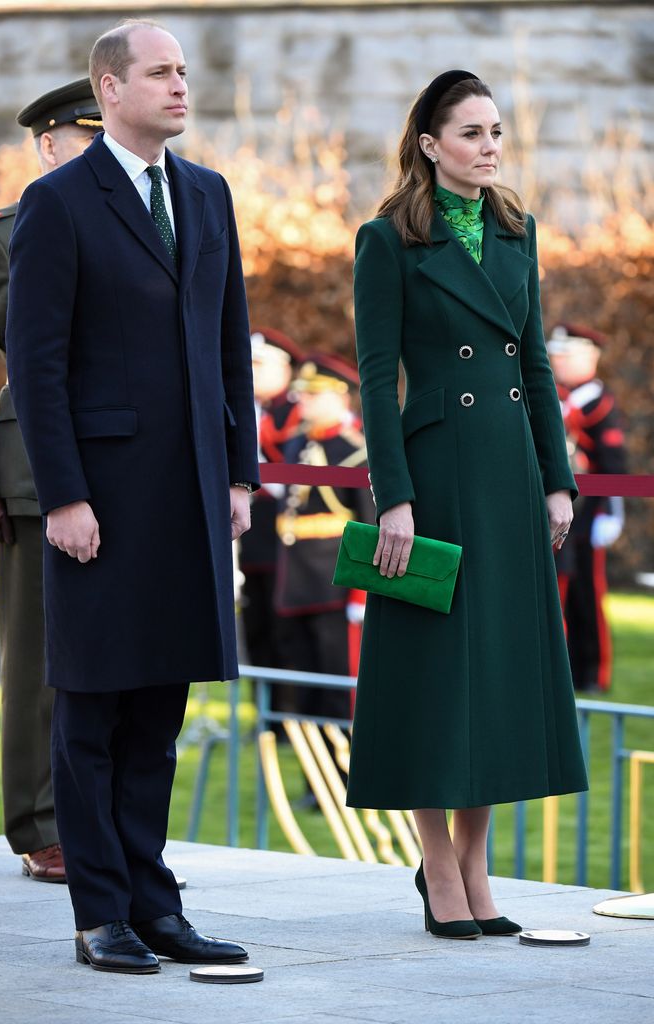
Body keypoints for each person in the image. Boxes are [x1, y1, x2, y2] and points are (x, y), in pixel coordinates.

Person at [6, 19, 259, 974]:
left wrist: (240, 472)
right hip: (99, 502)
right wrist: (63, 495)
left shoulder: (207, 193)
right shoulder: (58, 202)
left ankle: (157, 907)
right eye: (160, 73)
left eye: (185, 71)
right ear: (109, 89)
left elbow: (228, 340)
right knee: (93, 714)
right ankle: (99, 914)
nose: (180, 86)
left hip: (190, 495)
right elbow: (36, 365)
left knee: (160, 713)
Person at [346, 70, 588, 940]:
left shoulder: (517, 232)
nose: (491, 147)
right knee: (431, 674)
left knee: (493, 674)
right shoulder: (386, 240)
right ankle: (436, 864)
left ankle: (476, 863)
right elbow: (376, 381)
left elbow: (533, 367)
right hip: (437, 477)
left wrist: (556, 479)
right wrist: (395, 499)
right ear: (430, 144)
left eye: (496, 132)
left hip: (510, 475)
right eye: (474, 132)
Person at [0, 79, 103, 884]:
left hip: (129, 463)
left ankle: (105, 820)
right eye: (84, 137)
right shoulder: (4, 236)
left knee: (121, 657)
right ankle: (39, 823)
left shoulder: (153, 221)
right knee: (40, 661)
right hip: (32, 473)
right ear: (48, 145)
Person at [274, 354, 373, 762]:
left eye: (314, 396)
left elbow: (370, 527)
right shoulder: (300, 444)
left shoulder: (356, 452)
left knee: (339, 691)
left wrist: (363, 597)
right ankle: (316, 781)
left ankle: (348, 773)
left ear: (340, 397)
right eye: (304, 395)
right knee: (304, 690)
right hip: (296, 584)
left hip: (337, 586)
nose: (305, 404)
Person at [548, 323, 627, 692]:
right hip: (560, 511)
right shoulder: (559, 396)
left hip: (589, 514)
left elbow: (612, 463)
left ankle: (595, 673)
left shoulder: (597, 401)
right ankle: (565, 668)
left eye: (566, 355)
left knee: (589, 597)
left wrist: (611, 511)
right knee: (561, 592)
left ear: (588, 358)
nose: (557, 361)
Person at [239, 327, 304, 671]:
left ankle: (286, 722)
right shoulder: (247, 409)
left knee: (287, 641)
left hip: (289, 543)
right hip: (254, 538)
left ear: (285, 369)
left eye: (259, 364)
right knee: (257, 634)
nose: (251, 371)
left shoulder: (294, 413)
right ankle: (265, 720)